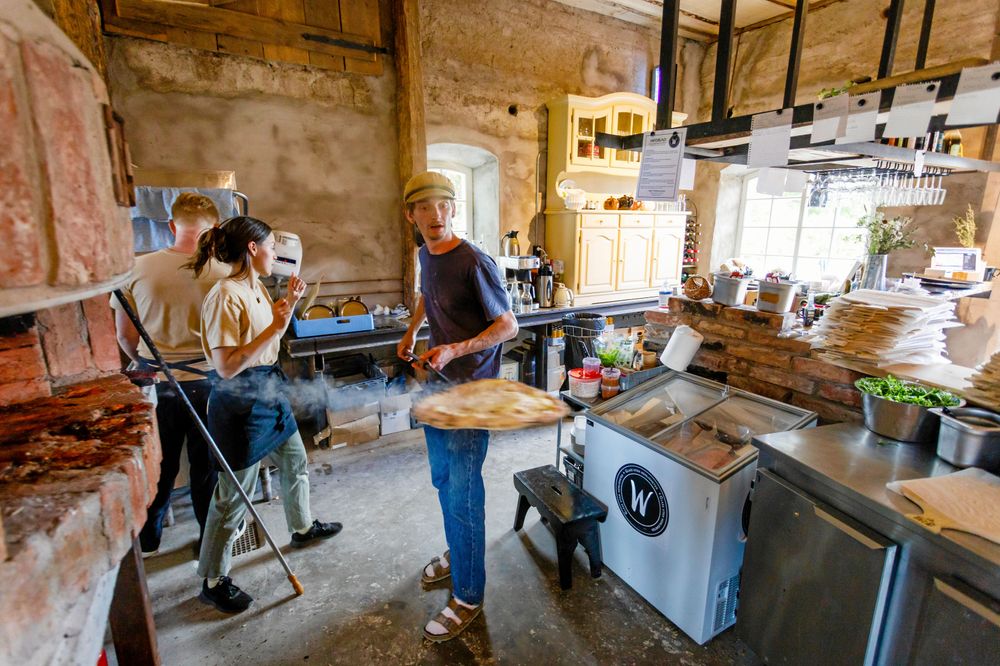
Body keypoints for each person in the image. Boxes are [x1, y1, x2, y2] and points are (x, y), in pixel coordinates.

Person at [188, 215, 342, 613]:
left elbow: (268, 334)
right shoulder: (225, 295)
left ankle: (302, 527)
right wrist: (274, 329)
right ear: (253, 249)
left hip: (268, 390)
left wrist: (286, 308)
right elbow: (225, 366)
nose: (277, 253)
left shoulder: (253, 285)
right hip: (239, 401)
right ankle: (213, 578)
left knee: (295, 460)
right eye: (272, 245)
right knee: (233, 496)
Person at [396, 171, 518, 642]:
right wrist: (411, 332)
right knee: (444, 478)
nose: (432, 214)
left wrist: (455, 349)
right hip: (437, 387)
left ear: (453, 208)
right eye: (422, 207)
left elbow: (508, 325)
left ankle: (468, 594)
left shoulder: (475, 261)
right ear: (412, 215)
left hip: (471, 392)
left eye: (440, 205)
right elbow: (427, 294)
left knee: (464, 492)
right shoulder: (425, 253)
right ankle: (458, 551)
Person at [111, 192, 230, 556]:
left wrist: (148, 363)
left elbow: (124, 337)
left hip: (157, 384)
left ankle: (149, 539)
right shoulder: (225, 274)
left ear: (172, 225)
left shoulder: (136, 269)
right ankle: (206, 544)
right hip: (209, 383)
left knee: (158, 465)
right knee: (205, 467)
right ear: (216, 229)